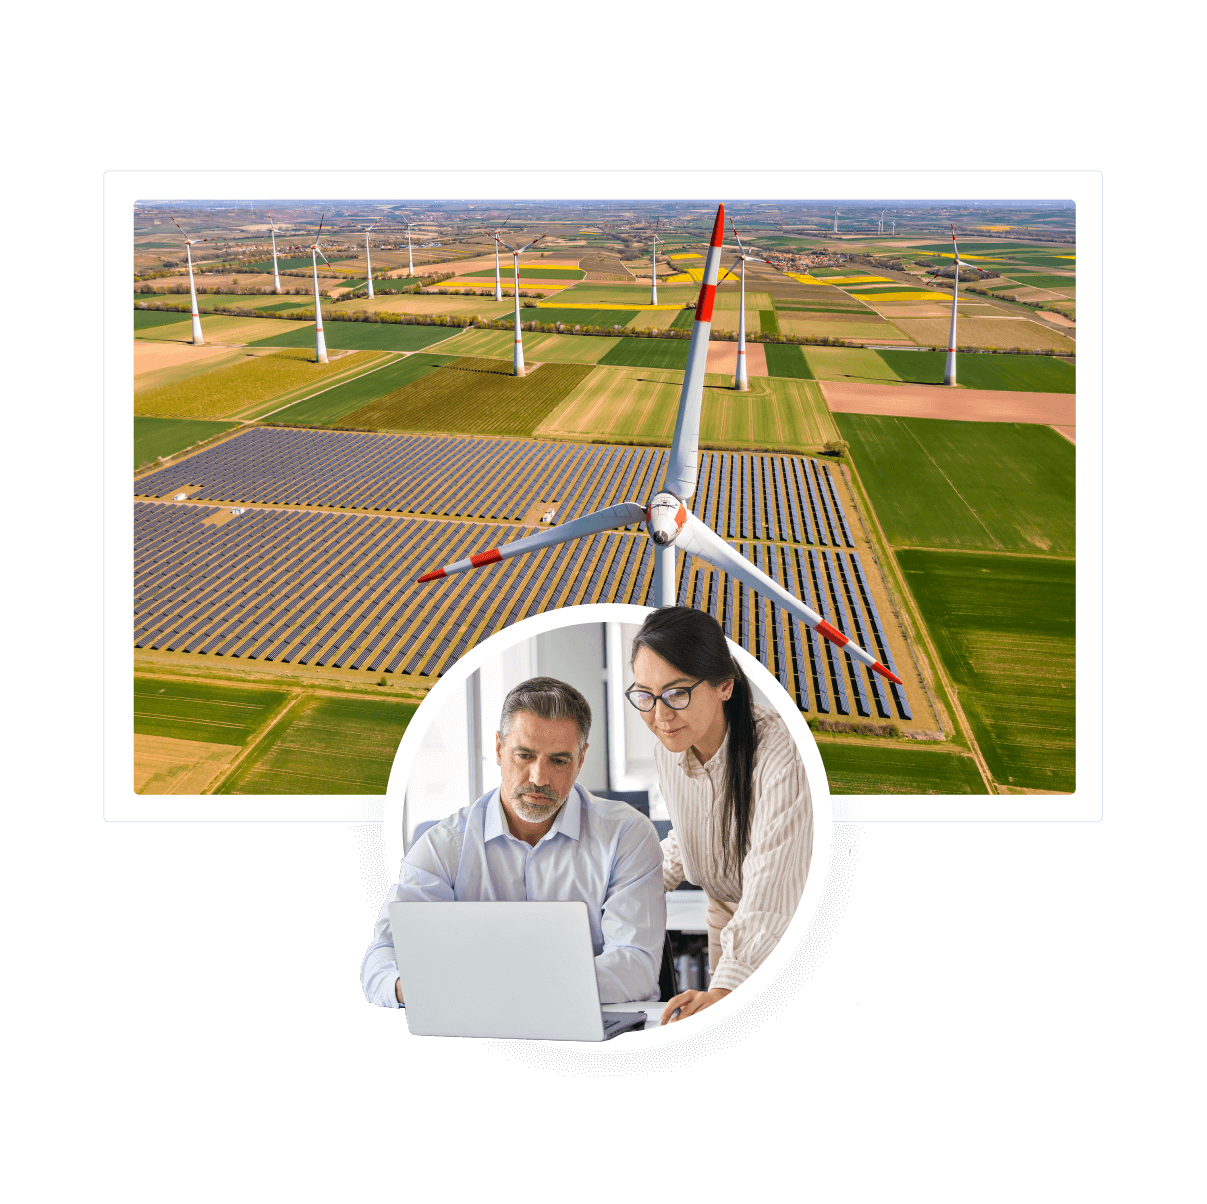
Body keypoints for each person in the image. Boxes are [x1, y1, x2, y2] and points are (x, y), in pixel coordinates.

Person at [362, 676, 666, 1009]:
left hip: (591, 1026)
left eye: (559, 760)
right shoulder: (445, 844)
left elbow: (636, 965)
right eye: (524, 755)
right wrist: (416, 987)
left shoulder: (627, 835)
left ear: (580, 760)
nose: (539, 778)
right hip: (478, 1022)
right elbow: (385, 956)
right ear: (498, 749)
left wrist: (509, 989)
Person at [625, 607, 813, 1025]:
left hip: (781, 927)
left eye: (676, 693)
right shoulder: (670, 745)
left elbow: (772, 882)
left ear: (724, 685)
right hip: (726, 919)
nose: (660, 715)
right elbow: (691, 832)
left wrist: (725, 988)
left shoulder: (780, 752)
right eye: (645, 695)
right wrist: (630, 884)